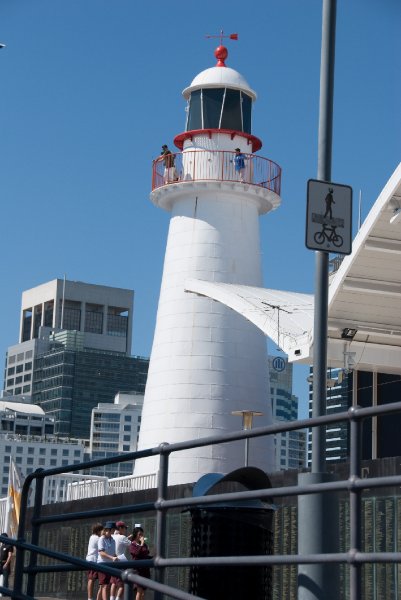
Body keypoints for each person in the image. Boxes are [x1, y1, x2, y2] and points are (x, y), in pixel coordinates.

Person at [97, 522, 119, 600]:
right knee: (105, 586)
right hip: (102, 565)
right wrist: (112, 558)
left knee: (106, 586)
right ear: (109, 529)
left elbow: (113, 553)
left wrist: (116, 557)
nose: (115, 531)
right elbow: (101, 552)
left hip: (110, 565)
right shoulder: (101, 539)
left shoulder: (113, 540)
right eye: (113, 529)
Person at [111, 521, 132, 600]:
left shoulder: (112, 536)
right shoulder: (122, 537)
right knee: (121, 585)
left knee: (113, 583)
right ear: (120, 528)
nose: (125, 530)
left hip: (111, 562)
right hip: (120, 562)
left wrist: (127, 538)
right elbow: (132, 545)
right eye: (125, 528)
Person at [129, 526, 151, 600]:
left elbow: (145, 554)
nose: (141, 536)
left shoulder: (144, 545)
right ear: (135, 535)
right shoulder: (132, 545)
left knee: (143, 593)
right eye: (139, 534)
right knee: (139, 591)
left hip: (145, 571)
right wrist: (141, 544)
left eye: (142, 534)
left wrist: (152, 556)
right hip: (138, 571)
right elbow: (136, 553)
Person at [86, 523, 103, 600]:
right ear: (98, 531)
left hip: (92, 560)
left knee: (91, 580)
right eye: (102, 530)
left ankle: (91, 598)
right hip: (93, 561)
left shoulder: (92, 537)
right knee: (91, 579)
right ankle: (90, 598)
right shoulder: (97, 538)